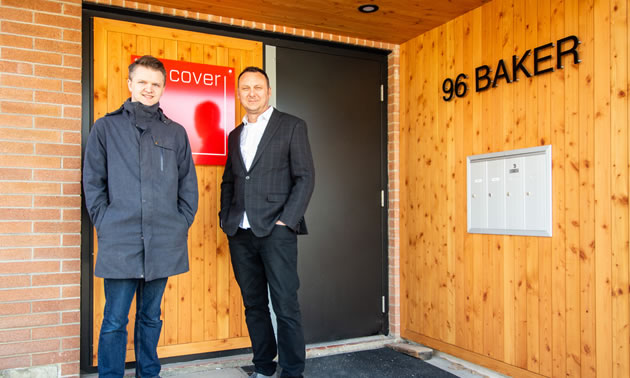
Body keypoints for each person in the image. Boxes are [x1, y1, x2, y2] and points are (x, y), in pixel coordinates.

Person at [83, 55, 198, 378]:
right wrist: (104, 222)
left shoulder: (175, 132)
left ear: (163, 88)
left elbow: (188, 184)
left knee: (151, 316)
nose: (149, 89)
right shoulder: (106, 127)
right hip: (120, 239)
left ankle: (149, 373)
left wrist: (180, 223)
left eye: (156, 84)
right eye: (143, 82)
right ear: (130, 84)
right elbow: (93, 182)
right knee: (115, 319)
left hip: (163, 239)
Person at [219, 66, 315, 378]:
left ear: (268, 91)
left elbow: (305, 178)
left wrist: (286, 222)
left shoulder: (291, 126)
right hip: (241, 233)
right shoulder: (235, 135)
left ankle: (291, 371)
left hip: (277, 232)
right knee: (254, 305)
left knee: (285, 305)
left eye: (258, 87)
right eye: (245, 87)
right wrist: (226, 219)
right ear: (238, 93)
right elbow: (229, 183)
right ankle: (263, 366)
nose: (251, 93)